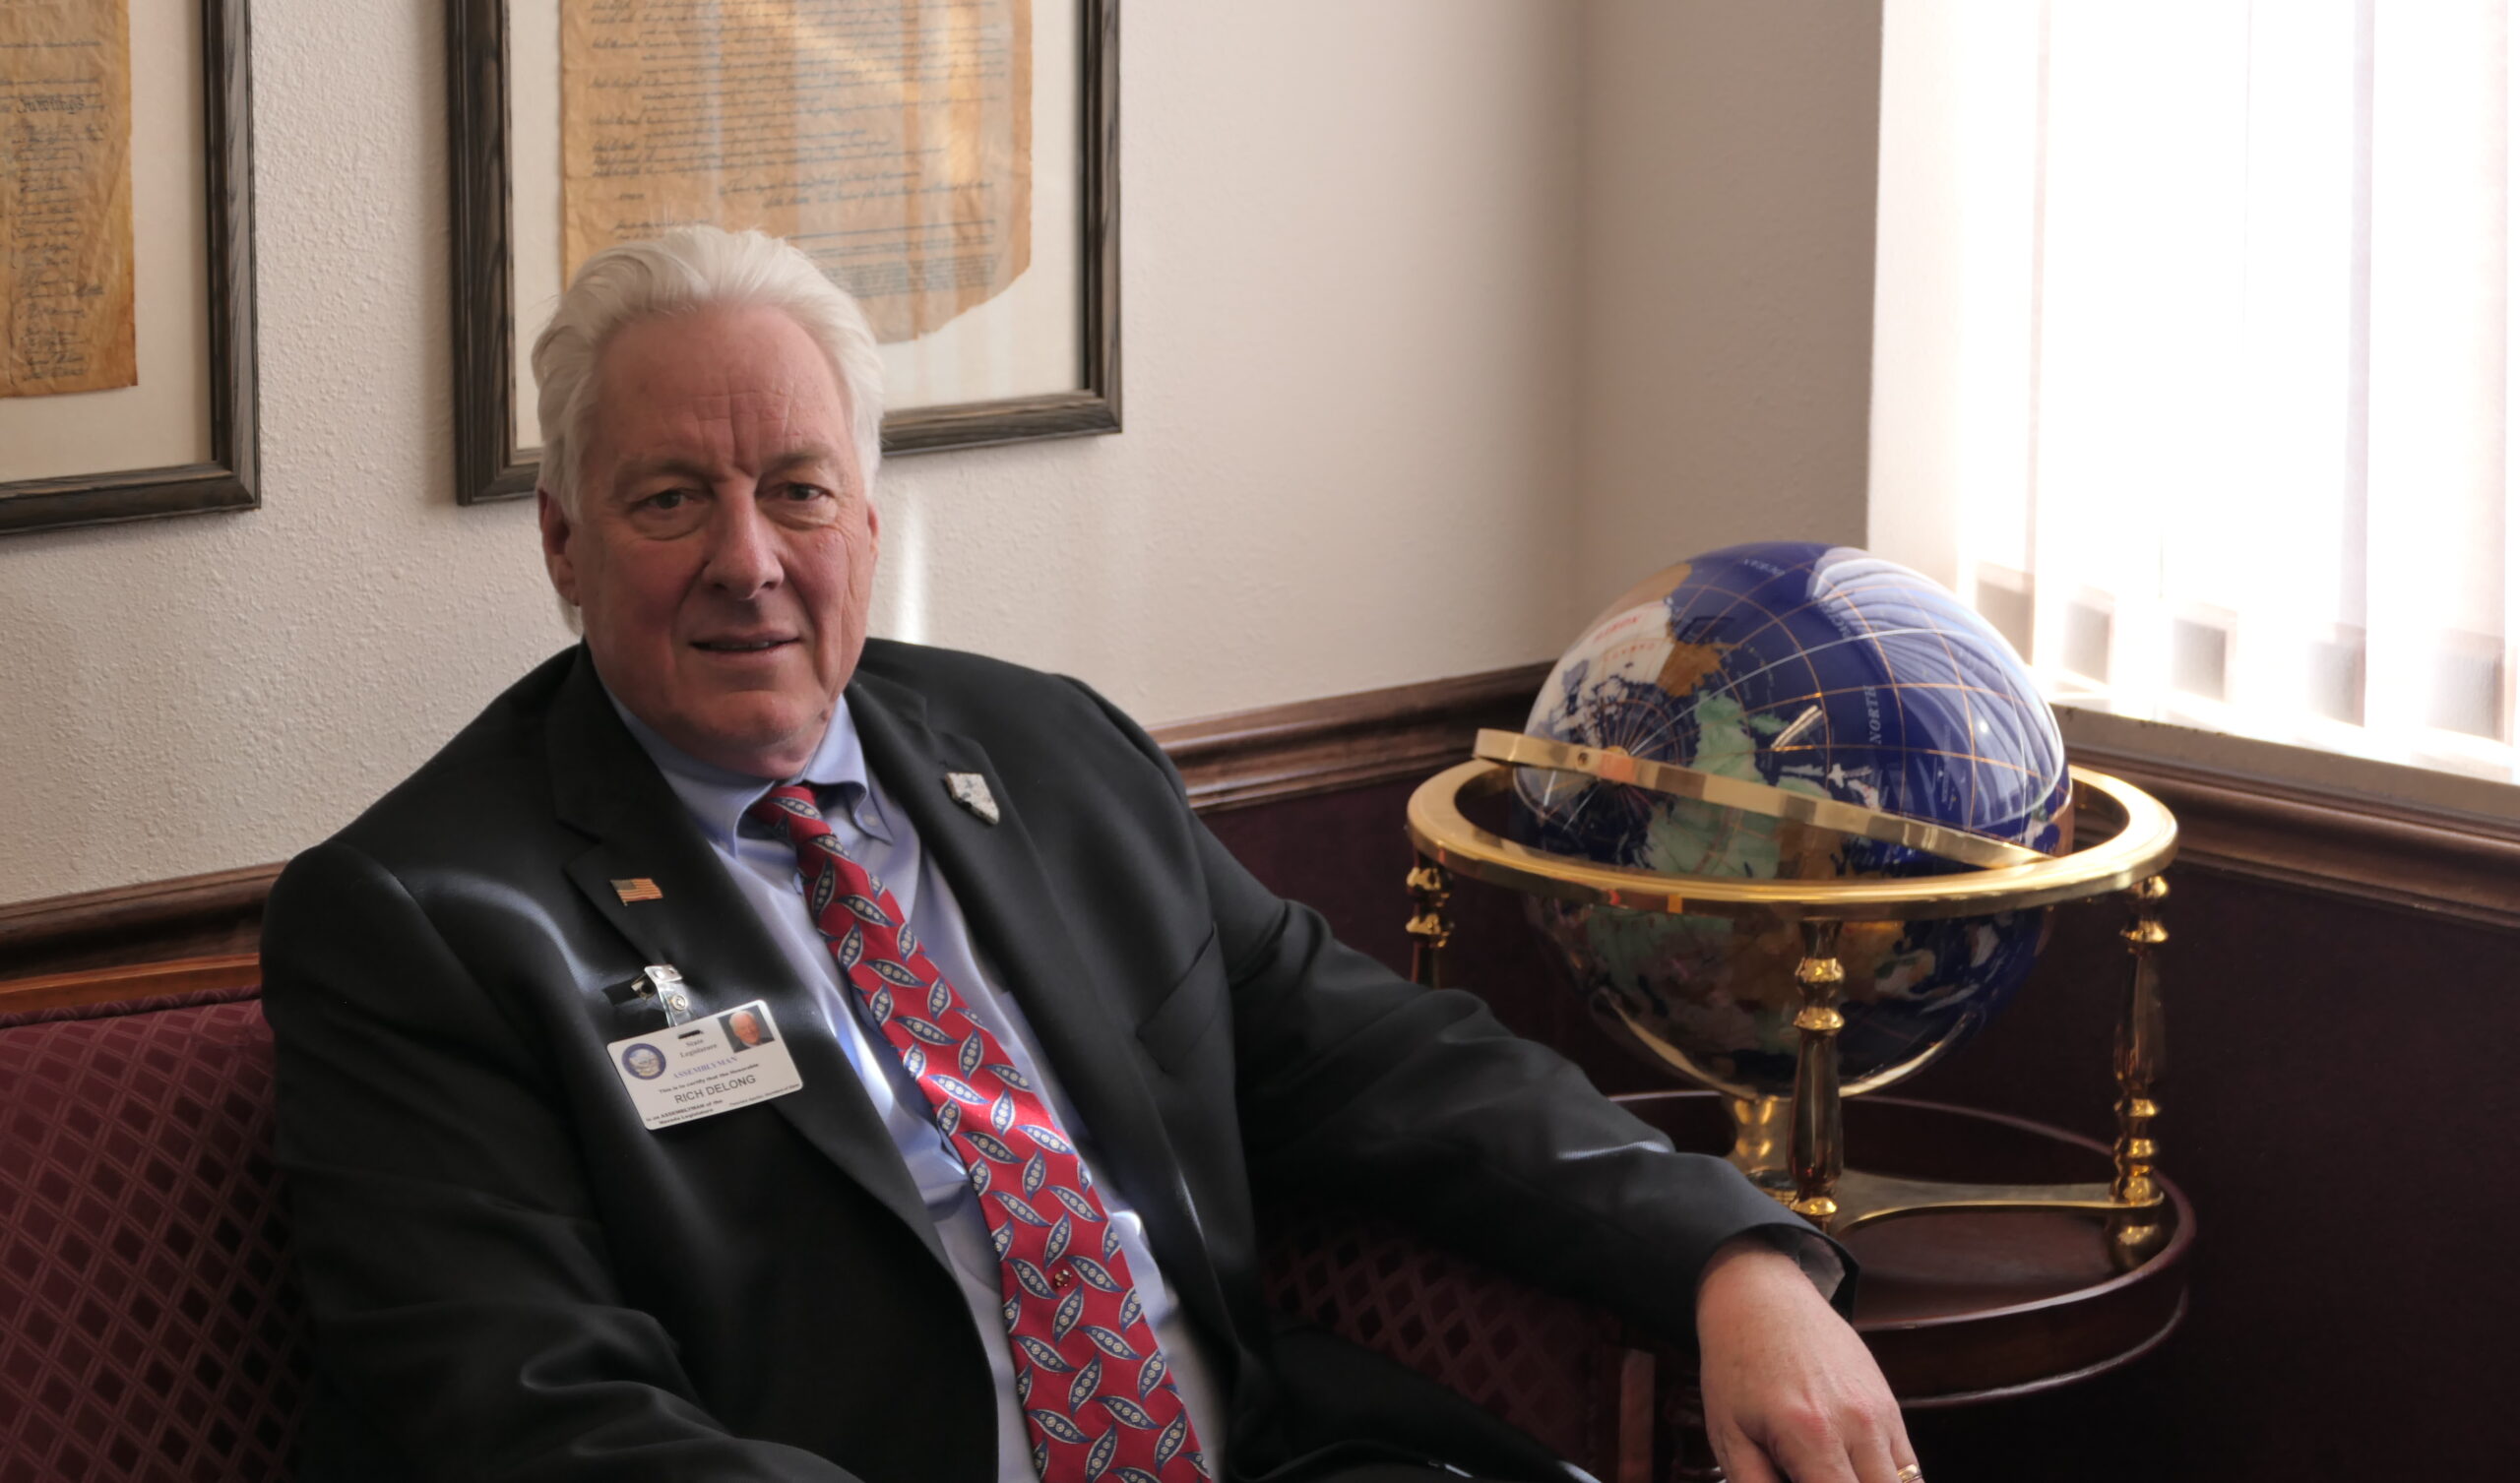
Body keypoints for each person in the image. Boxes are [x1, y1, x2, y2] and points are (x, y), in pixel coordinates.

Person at [263, 225, 1920, 1483]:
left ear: (871, 523)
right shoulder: (424, 919)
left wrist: (1735, 1253)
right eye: (670, 500)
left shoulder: (1050, 755)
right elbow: (525, 1409)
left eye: (798, 490)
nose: (748, 562)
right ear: (563, 542)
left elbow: (1390, 1065)